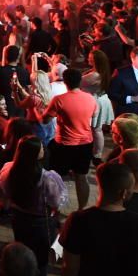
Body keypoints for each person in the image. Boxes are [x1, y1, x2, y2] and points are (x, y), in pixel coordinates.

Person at [0, 136, 67, 276]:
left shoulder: (8, 170)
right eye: (41, 147)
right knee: (41, 259)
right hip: (41, 222)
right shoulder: (48, 178)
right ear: (35, 153)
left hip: (18, 218)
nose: (43, 149)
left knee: (24, 249)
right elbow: (57, 202)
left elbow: (1, 193)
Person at [41, 68, 97, 208]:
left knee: (56, 177)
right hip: (85, 143)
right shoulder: (90, 98)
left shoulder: (59, 100)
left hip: (63, 144)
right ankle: (82, 209)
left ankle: (55, 208)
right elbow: (94, 117)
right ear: (80, 81)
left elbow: (45, 120)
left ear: (65, 82)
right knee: (82, 177)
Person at [0, 45, 30, 118]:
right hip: (20, 109)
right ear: (18, 57)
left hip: (4, 108)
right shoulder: (24, 72)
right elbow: (28, 91)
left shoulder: (0, 70)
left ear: (6, 56)